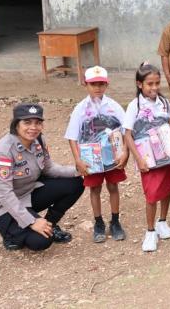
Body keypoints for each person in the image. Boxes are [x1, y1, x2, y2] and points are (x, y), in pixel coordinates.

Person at [0, 103, 83, 251]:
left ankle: (50, 224)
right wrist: (31, 221)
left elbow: (49, 168)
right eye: (27, 122)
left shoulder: (39, 141)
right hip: (2, 208)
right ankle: (11, 235)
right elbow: (3, 193)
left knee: (76, 183)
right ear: (16, 124)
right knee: (41, 242)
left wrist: (78, 170)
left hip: (27, 195)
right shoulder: (3, 151)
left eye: (38, 123)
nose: (33, 127)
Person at [64, 66, 127, 243]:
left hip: (112, 156)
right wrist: (78, 160)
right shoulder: (80, 109)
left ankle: (115, 221)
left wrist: (124, 154)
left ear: (106, 85)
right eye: (93, 84)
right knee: (95, 189)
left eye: (101, 84)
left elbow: (126, 130)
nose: (97, 88)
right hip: (91, 158)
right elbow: (72, 136)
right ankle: (98, 222)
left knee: (113, 186)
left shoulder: (113, 106)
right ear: (86, 84)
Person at [122, 63, 170, 252]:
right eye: (149, 84)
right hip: (148, 158)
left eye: (157, 83)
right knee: (152, 194)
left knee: (166, 188)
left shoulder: (164, 102)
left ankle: (163, 221)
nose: (154, 88)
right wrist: (138, 159)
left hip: (166, 155)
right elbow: (127, 134)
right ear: (140, 84)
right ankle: (150, 231)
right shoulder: (134, 106)